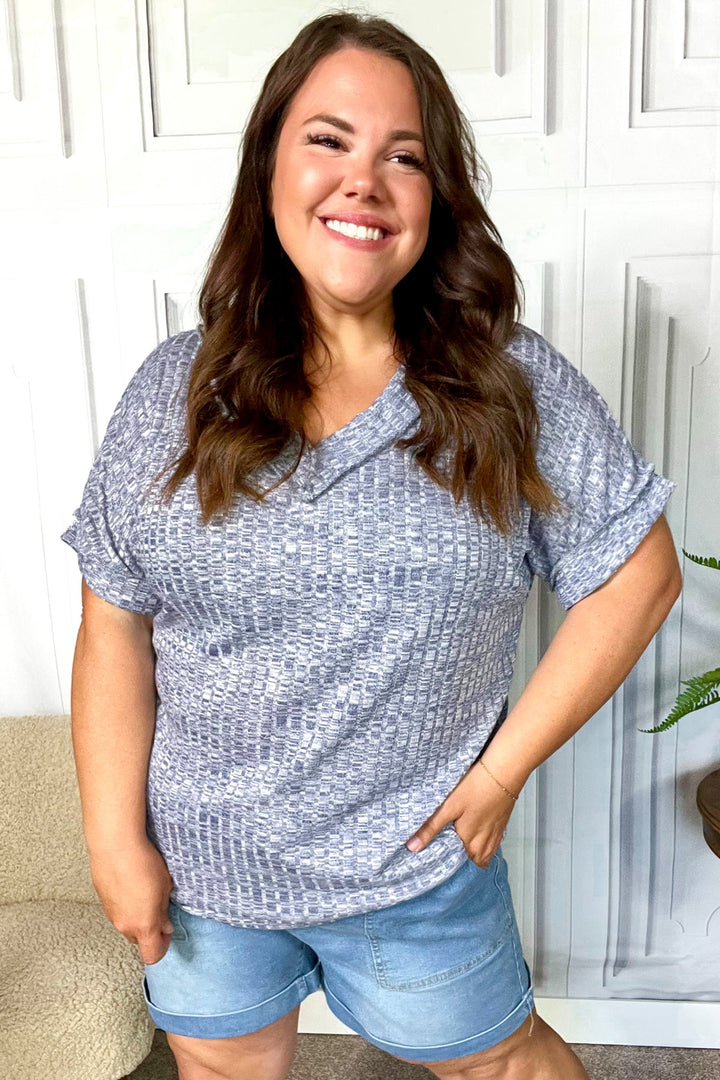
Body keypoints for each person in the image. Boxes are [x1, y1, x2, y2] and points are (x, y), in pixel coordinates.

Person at [62, 11, 682, 1080]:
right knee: (219, 1067)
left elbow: (641, 574)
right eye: (328, 140)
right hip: (207, 870)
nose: (365, 181)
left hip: (418, 871)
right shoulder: (175, 390)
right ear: (269, 166)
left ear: (437, 197)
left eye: (405, 157)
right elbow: (111, 620)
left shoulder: (509, 384)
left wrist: (501, 772)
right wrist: (113, 840)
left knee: (500, 1064)